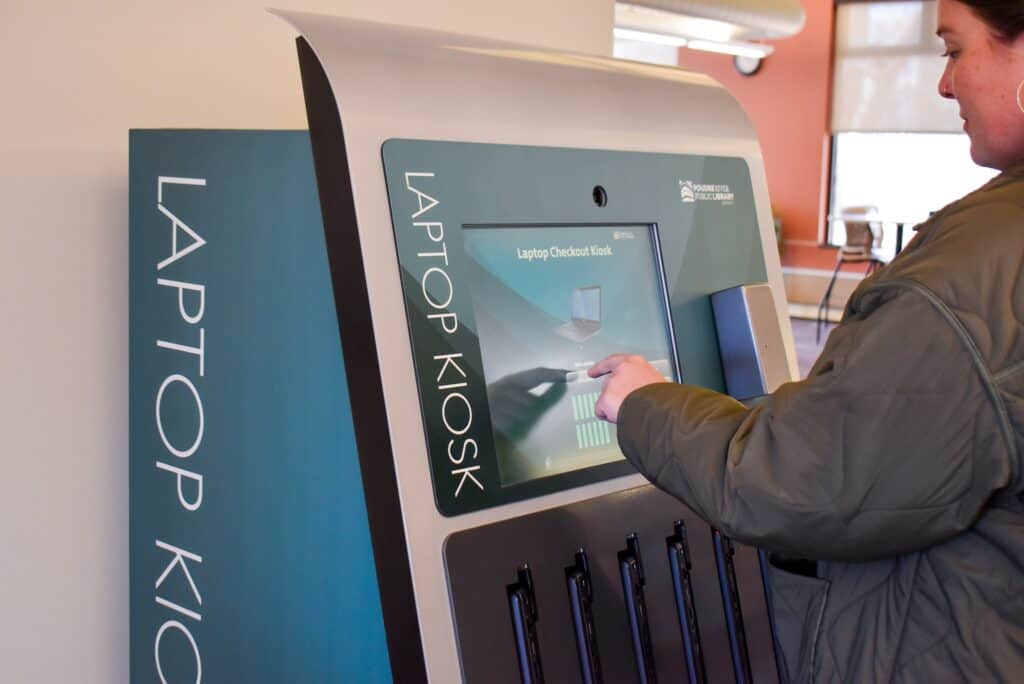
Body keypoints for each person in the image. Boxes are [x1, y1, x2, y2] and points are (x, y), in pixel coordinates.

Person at [589, 1, 1024, 681]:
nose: (945, 84)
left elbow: (805, 479)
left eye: (954, 50)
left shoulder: (975, 269)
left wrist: (646, 404)